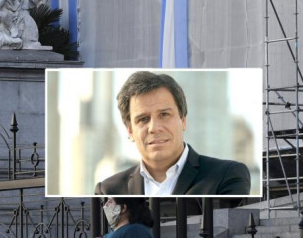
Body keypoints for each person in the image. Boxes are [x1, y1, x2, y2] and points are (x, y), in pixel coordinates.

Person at [94, 71, 251, 195]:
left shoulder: (227, 176)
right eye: (143, 119)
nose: (154, 128)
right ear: (130, 130)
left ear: (183, 120)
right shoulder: (108, 191)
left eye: (164, 115)